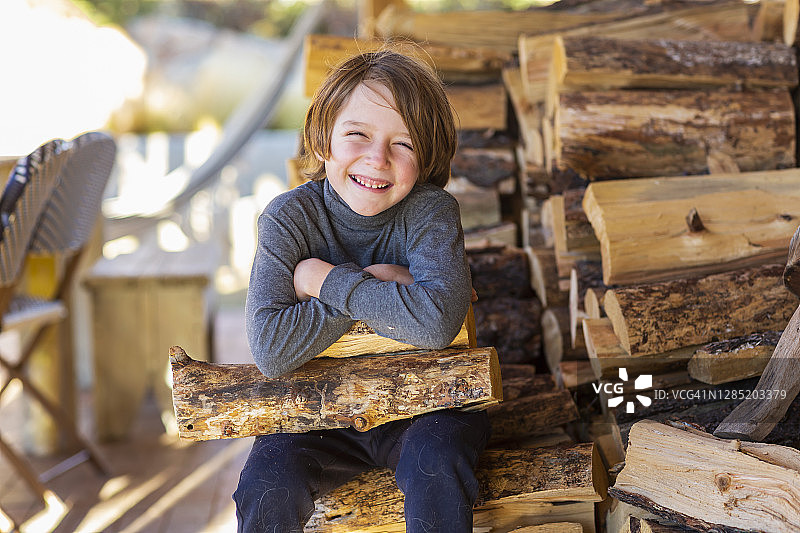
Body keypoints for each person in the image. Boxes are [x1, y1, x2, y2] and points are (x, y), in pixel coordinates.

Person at [234, 48, 490, 532]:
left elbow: (436, 322)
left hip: (427, 407)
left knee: (438, 459)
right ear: (323, 136)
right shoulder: (289, 219)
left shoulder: (431, 212)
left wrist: (325, 282)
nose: (378, 159)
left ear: (428, 155)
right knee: (267, 481)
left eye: (405, 144)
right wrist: (382, 280)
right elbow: (270, 347)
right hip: (316, 412)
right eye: (357, 134)